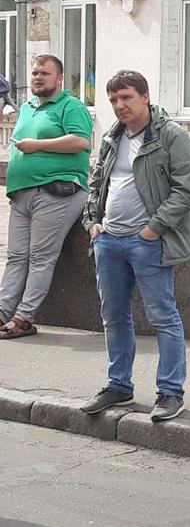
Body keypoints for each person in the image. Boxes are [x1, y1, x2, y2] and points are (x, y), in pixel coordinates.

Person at [80, 70, 190, 422]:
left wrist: (153, 229)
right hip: (108, 241)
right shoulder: (112, 136)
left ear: (145, 97)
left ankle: (171, 392)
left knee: (163, 317)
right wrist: (93, 223)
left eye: (126, 98)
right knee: (114, 317)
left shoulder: (170, 136)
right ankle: (118, 385)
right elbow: (96, 183)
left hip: (146, 242)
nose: (120, 105)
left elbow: (188, 190)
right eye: (113, 100)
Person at [0, 55, 91, 339]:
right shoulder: (27, 107)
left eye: (45, 73)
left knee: (41, 257)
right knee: (16, 257)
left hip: (56, 191)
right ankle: (2, 312)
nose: (38, 77)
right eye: (35, 73)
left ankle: (23, 318)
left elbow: (81, 141)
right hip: (22, 193)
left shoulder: (70, 106)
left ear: (59, 78)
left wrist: (36, 146)